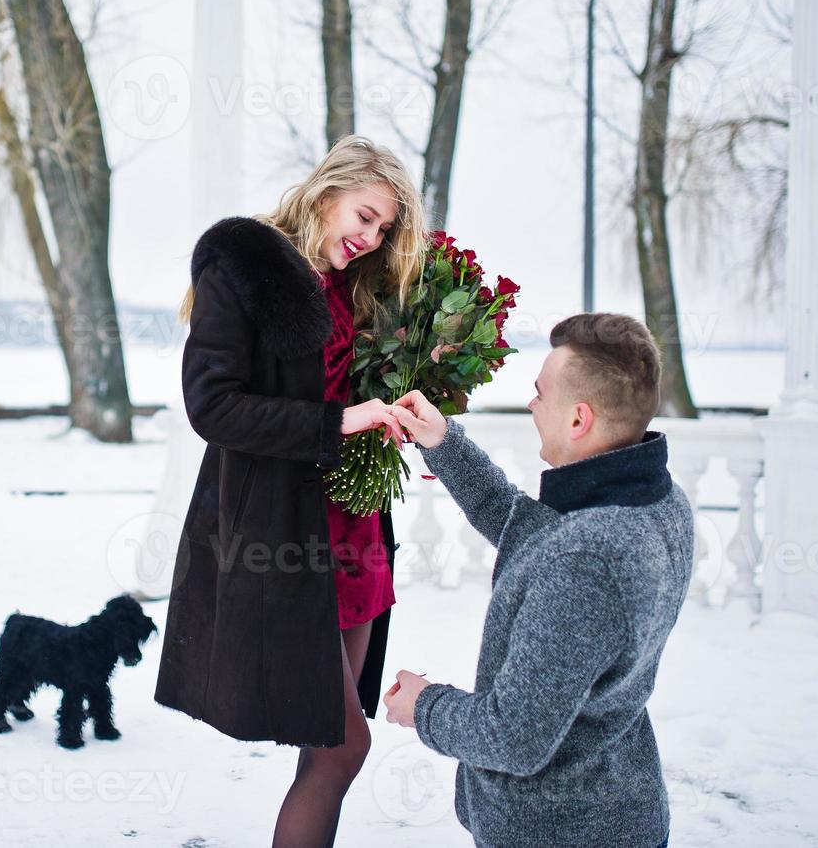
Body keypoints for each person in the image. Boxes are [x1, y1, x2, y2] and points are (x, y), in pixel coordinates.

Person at [153, 135, 428, 847]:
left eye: (382, 230)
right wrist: (342, 419)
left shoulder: (357, 289)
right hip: (282, 541)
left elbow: (355, 386)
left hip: (355, 532)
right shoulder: (244, 267)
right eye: (363, 217)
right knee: (344, 747)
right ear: (325, 191)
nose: (368, 239)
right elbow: (212, 407)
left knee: (324, 747)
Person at [381, 313, 693, 848]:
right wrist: (443, 442)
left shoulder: (590, 558)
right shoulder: (653, 498)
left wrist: (423, 705)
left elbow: (513, 737)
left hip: (562, 832)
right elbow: (522, 527)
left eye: (539, 393)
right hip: (615, 812)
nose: (530, 405)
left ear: (578, 419)